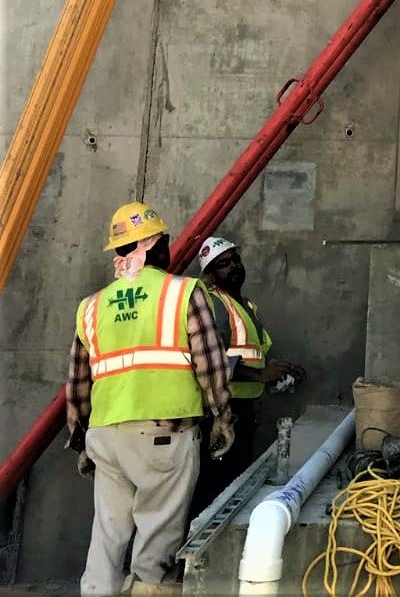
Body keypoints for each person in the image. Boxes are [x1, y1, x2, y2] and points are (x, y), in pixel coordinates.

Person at [66, 202, 234, 596]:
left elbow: (77, 380)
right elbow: (209, 363)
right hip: (165, 434)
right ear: (156, 247)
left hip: (106, 436)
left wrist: (79, 438)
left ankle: (97, 590)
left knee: (107, 535)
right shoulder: (183, 292)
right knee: (157, 537)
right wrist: (223, 418)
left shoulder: (91, 306)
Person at [187, 236, 306, 515]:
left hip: (242, 412)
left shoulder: (246, 306)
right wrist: (261, 374)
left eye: (235, 259)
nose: (234, 267)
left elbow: (250, 353)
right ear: (211, 274)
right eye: (223, 264)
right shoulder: (213, 304)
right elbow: (209, 359)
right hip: (220, 415)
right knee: (212, 493)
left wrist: (277, 372)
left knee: (231, 489)